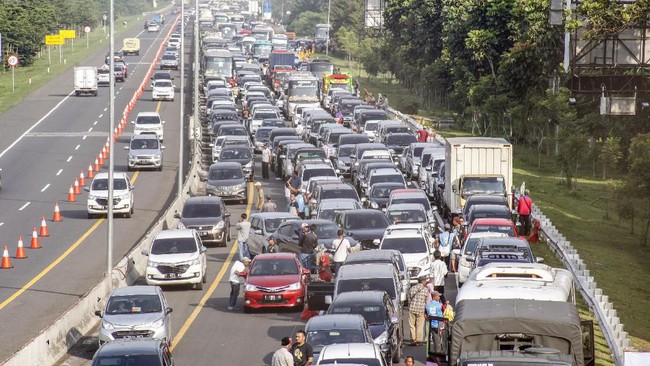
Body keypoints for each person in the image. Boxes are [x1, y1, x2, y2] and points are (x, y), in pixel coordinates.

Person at [408, 276, 430, 346]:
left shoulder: (412, 288)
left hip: (412, 308)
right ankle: (419, 340)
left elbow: (409, 298)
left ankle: (413, 339)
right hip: (421, 309)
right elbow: (426, 300)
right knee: (420, 325)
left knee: (412, 325)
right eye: (425, 281)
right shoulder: (425, 290)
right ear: (423, 281)